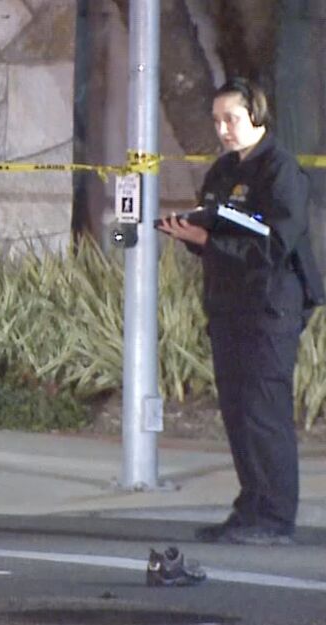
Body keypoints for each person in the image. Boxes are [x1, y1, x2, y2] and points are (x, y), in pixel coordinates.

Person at [157, 77, 323, 546]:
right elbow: (218, 222)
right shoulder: (224, 172)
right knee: (238, 412)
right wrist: (191, 232)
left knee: (263, 412)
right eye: (217, 121)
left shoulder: (281, 171)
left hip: (270, 308)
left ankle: (273, 518)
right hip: (229, 307)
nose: (223, 129)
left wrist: (210, 240)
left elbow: (272, 245)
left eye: (231, 118)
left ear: (257, 115)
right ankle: (250, 508)